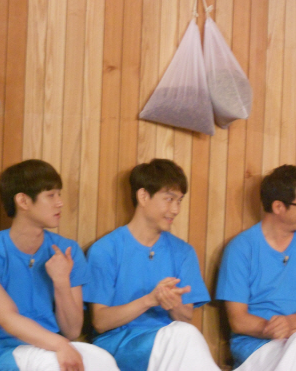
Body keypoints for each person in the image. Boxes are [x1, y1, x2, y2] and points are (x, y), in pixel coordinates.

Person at [0, 159, 119, 371]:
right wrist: (60, 345)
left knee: (102, 361)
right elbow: (8, 318)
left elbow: (72, 331)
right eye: (51, 195)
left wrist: (61, 281)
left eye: (59, 194)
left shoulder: (67, 251)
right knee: (54, 365)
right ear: (23, 201)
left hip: (52, 346)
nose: (60, 203)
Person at [83, 159, 220, 371]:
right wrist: (149, 300)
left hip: (170, 343)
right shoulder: (106, 249)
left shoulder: (183, 252)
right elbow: (100, 322)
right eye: (169, 199)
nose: (176, 209)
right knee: (183, 338)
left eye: (179, 201)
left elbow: (186, 318)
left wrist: (172, 302)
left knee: (185, 334)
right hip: (117, 345)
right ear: (143, 196)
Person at [216, 164, 296, 371]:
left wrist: (292, 325)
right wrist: (287, 330)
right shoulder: (241, 248)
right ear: (278, 207)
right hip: (257, 347)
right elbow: (238, 320)